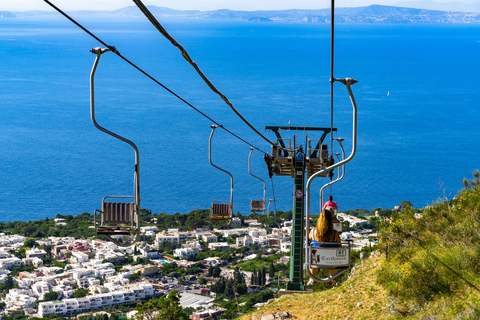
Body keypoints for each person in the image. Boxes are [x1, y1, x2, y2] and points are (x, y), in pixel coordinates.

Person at [307, 208, 341, 286]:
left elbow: (309, 242)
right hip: (331, 261)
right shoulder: (335, 234)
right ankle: (331, 278)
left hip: (317, 261)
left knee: (314, 254)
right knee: (334, 254)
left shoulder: (313, 232)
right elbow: (339, 247)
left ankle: (312, 278)